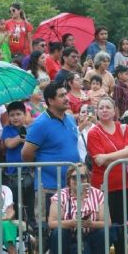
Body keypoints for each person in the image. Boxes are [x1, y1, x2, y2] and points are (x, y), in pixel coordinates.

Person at [22, 83, 81, 222]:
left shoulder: (71, 119)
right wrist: (38, 168)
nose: (67, 98)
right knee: (47, 229)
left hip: (71, 186)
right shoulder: (40, 124)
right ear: (50, 101)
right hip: (48, 187)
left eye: (66, 94)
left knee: (71, 228)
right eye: (61, 95)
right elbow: (26, 153)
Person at [86, 97, 128, 254]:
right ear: (97, 112)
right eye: (101, 108)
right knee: (105, 227)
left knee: (121, 227)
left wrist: (108, 156)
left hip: (125, 185)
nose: (105, 110)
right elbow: (99, 160)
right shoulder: (93, 132)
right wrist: (120, 155)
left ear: (115, 111)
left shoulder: (124, 128)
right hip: (103, 187)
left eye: (108, 107)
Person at [48, 163, 105, 254]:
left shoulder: (98, 194)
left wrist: (91, 224)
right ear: (69, 180)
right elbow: (52, 223)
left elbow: (106, 222)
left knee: (103, 232)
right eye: (74, 177)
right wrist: (71, 223)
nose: (78, 180)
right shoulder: (60, 195)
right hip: (68, 234)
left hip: (91, 233)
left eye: (82, 176)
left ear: (87, 179)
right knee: (58, 233)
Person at [1, 101, 35, 227]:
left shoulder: (31, 128)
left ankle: (31, 227)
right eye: (12, 115)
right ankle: (17, 228)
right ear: (8, 117)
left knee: (30, 203)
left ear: (25, 114)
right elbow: (9, 144)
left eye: (18, 114)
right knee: (15, 202)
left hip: (29, 172)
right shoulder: (7, 129)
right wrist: (20, 137)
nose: (15, 117)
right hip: (13, 174)